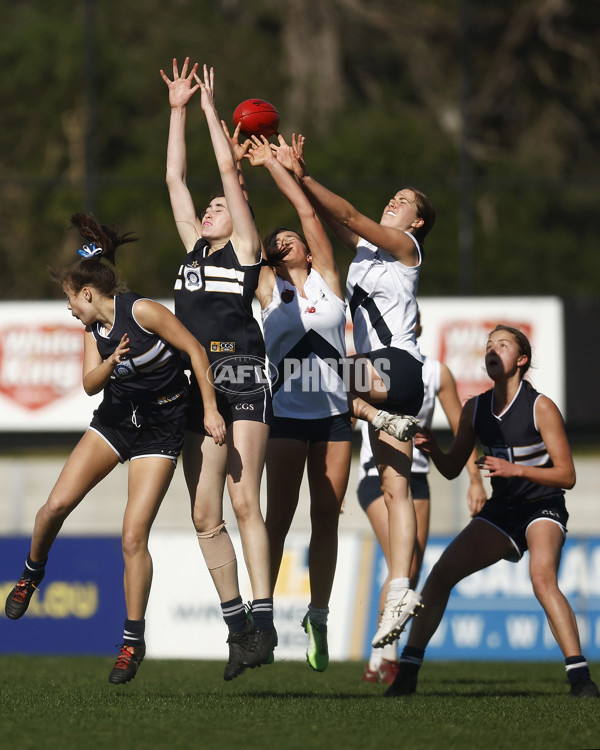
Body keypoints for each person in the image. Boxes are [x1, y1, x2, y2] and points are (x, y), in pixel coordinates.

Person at [4, 213, 226, 685]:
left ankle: (131, 641)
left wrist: (209, 409)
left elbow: (196, 351)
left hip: (162, 427)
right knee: (53, 507)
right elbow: (88, 386)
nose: (69, 308)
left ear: (88, 294)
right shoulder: (93, 331)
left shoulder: (142, 311)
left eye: (70, 299)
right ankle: (31, 573)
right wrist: (113, 361)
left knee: (132, 536)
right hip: (117, 423)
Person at [245, 135, 409, 671]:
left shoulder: (329, 282)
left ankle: (318, 615)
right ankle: (263, 614)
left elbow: (304, 209)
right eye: (278, 240)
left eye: (293, 237)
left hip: (337, 417)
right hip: (288, 417)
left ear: (311, 251)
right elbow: (248, 231)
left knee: (326, 519)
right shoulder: (268, 289)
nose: (285, 239)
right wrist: (240, 172)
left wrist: (277, 166)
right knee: (278, 518)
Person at [385, 325, 599, 699]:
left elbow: (566, 475)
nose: (491, 349)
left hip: (542, 505)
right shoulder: (476, 407)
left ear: (521, 360)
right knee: (439, 576)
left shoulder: (540, 406)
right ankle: (407, 674)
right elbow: (453, 468)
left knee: (541, 578)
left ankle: (580, 678)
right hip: (503, 510)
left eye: (502, 344)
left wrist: (515, 470)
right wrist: (434, 448)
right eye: (488, 345)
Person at [292, 134, 436, 646]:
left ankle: (378, 418)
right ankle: (400, 591)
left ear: (416, 223)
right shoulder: (372, 249)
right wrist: (290, 174)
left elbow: (348, 216)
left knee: (306, 374)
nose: (393, 202)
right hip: (389, 381)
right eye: (393, 197)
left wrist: (304, 177)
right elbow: (329, 220)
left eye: (404, 202)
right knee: (396, 488)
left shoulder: (406, 249)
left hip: (394, 366)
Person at [160, 58, 276, 680]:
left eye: (218, 206)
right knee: (205, 514)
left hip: (243, 379)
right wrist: (175, 109)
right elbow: (175, 178)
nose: (207, 209)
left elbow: (227, 170)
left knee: (242, 499)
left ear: (239, 214)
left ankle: (265, 619)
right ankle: (239, 628)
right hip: (198, 387)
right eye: (205, 208)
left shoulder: (245, 249)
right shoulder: (193, 248)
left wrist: (208, 108)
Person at [359, 311, 487, 684]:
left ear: (416, 326)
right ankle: (381, 656)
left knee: (412, 566)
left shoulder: (435, 373)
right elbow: (344, 417)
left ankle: (382, 653)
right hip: (377, 475)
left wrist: (475, 480)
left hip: (417, 478)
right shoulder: (368, 367)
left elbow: (462, 428)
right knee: (404, 561)